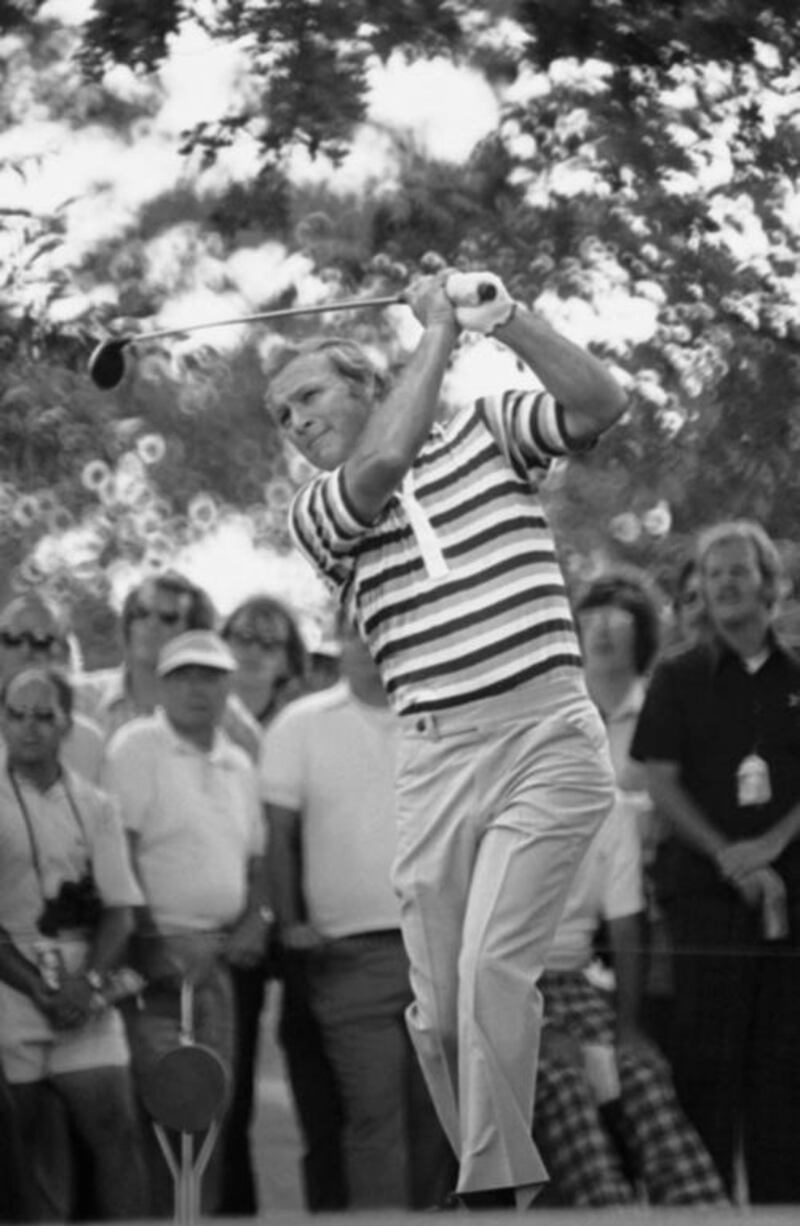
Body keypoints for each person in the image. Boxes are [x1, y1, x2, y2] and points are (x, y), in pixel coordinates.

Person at [262, 268, 626, 1207]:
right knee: (440, 1017)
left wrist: (503, 318)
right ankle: (493, 1174)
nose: (294, 421)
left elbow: (600, 402)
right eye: (280, 414)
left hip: (546, 734)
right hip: (436, 756)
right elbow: (382, 467)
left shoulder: (487, 426)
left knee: (488, 968)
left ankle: (491, 1190)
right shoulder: (317, 512)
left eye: (307, 396)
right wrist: (436, 331)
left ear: (368, 382)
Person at [262, 614, 456, 1210]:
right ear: (341, 642)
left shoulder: (447, 720)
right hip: (349, 957)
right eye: (358, 629)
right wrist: (291, 921)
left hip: (440, 951)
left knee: (439, 1124)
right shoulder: (300, 725)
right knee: (376, 1117)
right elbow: (278, 834)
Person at [631, 519, 800, 1202]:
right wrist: (728, 854)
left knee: (785, 1079)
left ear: (771, 586)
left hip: (791, 908)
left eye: (739, 569)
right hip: (703, 905)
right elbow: (658, 780)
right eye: (713, 571)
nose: (725, 583)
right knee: (705, 1073)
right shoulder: (676, 677)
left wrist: (773, 845)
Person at [101, 630, 271, 1215]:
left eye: (211, 676)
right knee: (158, 1110)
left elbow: (256, 863)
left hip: (218, 963)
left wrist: (256, 920)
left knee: (210, 1111)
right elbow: (116, 857)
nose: (199, 688)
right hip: (153, 968)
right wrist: (155, 942)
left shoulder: (240, 761)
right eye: (186, 676)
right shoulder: (136, 746)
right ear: (165, 683)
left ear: (228, 685)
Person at [0, 666, 146, 1220]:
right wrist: (38, 988)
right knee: (22, 1147)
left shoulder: (95, 805)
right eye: (16, 715)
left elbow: (120, 912)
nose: (28, 729)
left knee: (116, 1130)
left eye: (43, 716)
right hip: (12, 995)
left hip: (85, 995)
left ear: (67, 725)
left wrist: (85, 986)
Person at [532, 795, 726, 1206]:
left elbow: (626, 929)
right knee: (565, 1082)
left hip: (573, 982)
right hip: (500, 988)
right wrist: (537, 1031)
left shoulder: (612, 811)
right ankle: (607, 1209)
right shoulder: (498, 804)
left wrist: (628, 1030)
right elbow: (474, 945)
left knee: (642, 1073)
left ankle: (703, 1210)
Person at [217, 593, 339, 1216]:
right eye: (243, 636)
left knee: (316, 1087)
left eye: (270, 641)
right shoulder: (208, 714)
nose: (254, 651)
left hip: (294, 918)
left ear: (289, 655)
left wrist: (270, 914)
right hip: (225, 919)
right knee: (226, 1091)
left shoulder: (309, 717)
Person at [573, 570, 673, 1045]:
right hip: (569, 918)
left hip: (651, 916)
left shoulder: (668, 710)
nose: (602, 630)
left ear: (643, 631)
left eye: (618, 619)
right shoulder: (557, 718)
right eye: (590, 618)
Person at [75, 570, 260, 760]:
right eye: (142, 613)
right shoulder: (78, 700)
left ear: (195, 633)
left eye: (168, 618)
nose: (151, 624)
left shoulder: (226, 716)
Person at [0, 594, 105, 782]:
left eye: (40, 639)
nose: (25, 650)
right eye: (12, 638)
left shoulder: (89, 737)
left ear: (64, 651)